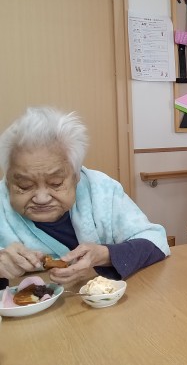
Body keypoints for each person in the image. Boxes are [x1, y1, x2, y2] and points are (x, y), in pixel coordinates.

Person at [0, 107, 170, 289]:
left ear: (76, 176)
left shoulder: (101, 189)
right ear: (8, 180)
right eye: (25, 185)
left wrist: (105, 255)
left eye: (56, 183)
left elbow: (155, 240)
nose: (41, 198)